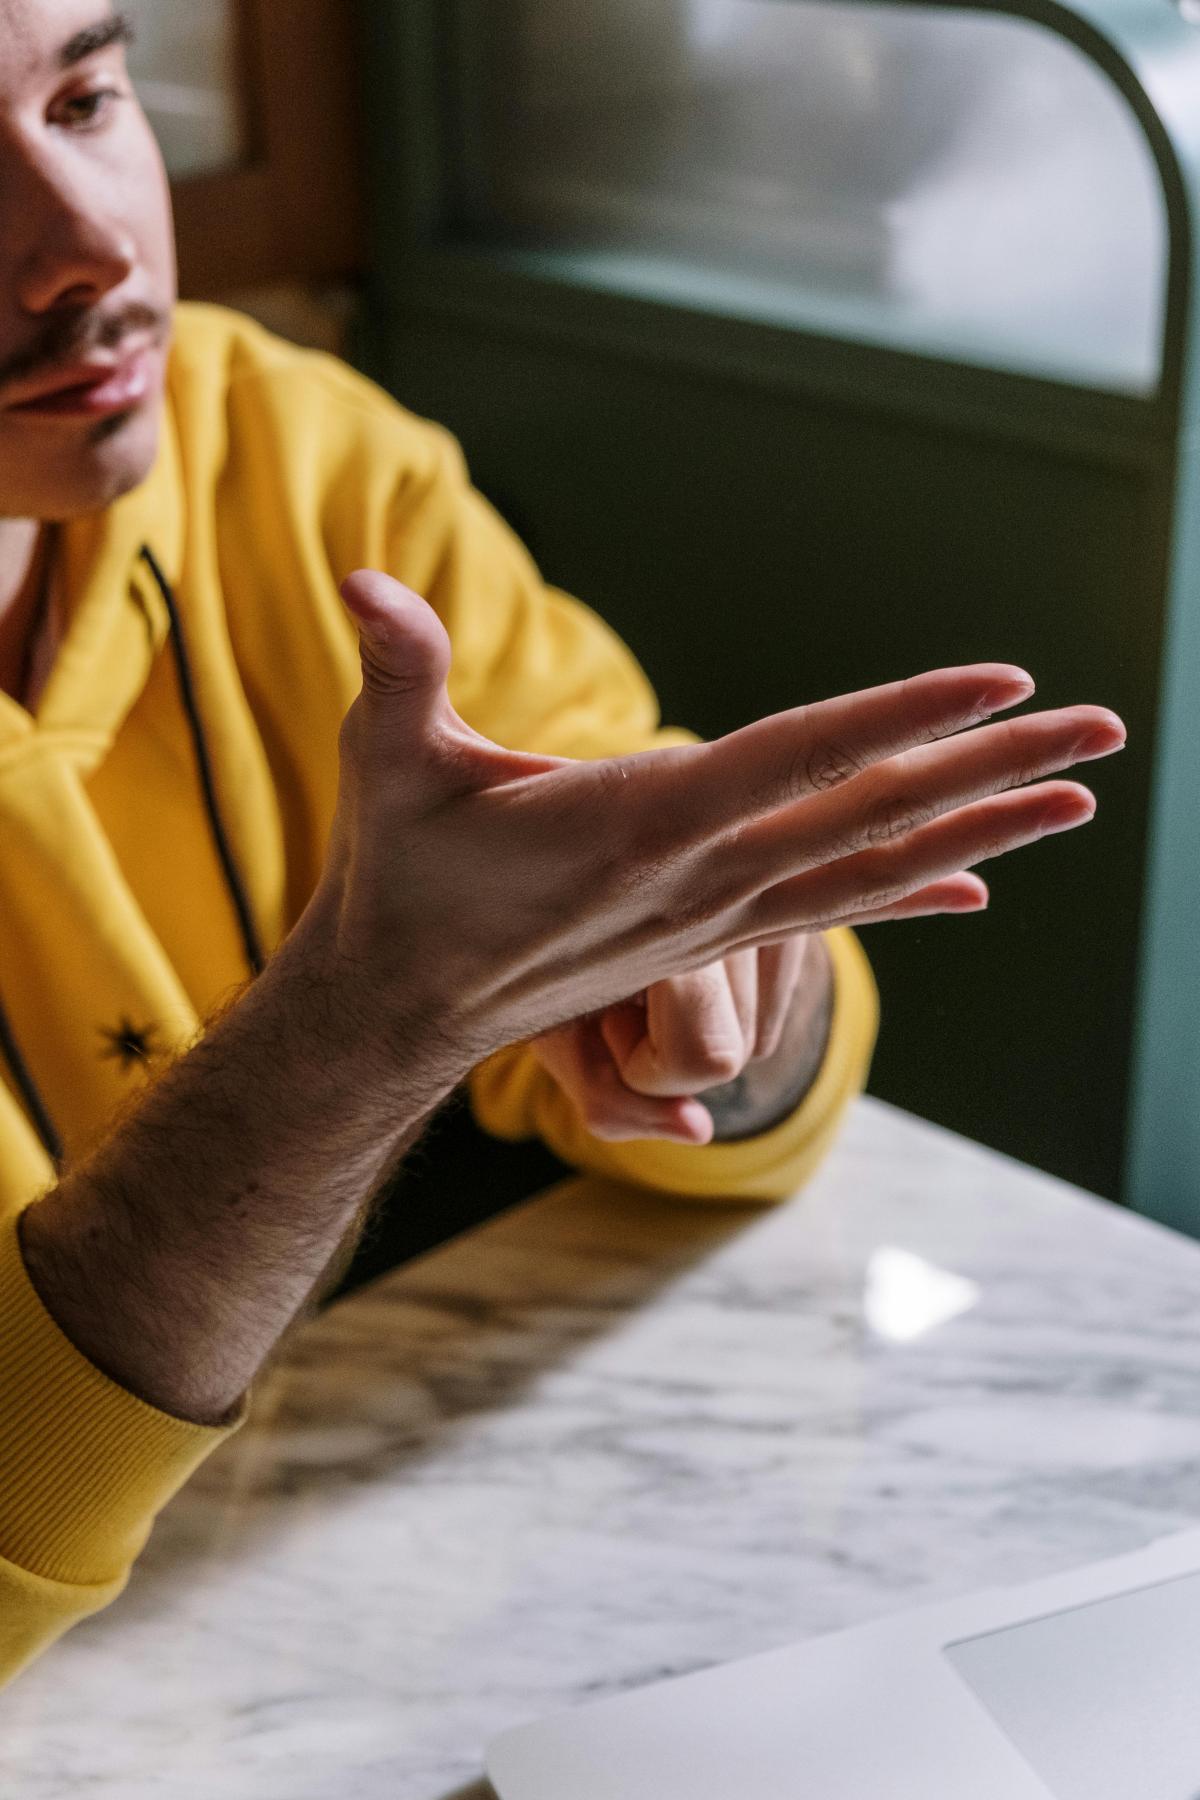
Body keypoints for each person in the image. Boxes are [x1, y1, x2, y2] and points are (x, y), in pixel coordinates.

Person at [0, 0, 1125, 1688]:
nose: (84, 252)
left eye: (87, 95)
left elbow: (735, 1115)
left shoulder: (294, 458)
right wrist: (372, 1019)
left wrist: (724, 1000)